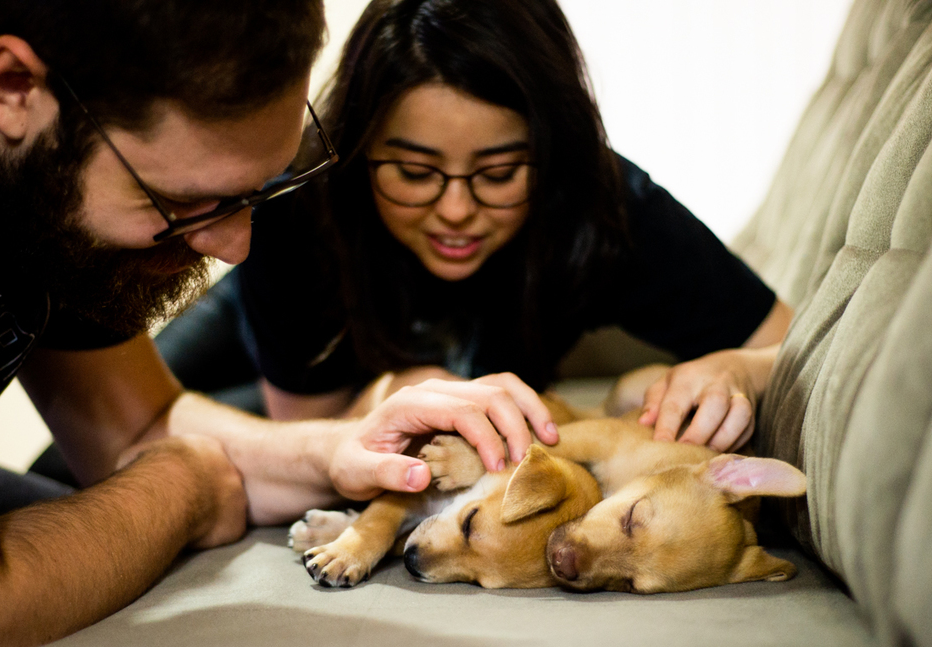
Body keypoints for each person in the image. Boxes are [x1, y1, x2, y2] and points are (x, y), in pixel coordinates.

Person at [0, 0, 558, 647]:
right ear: (16, 85)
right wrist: (183, 488)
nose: (235, 247)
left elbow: (133, 423)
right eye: (183, 201)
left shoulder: (52, 163)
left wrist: (341, 446)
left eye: (256, 191)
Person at [157, 0, 793, 454]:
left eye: (499, 173)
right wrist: (393, 392)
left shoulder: (602, 204)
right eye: (413, 171)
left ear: (552, 151)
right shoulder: (296, 208)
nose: (457, 210)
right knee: (103, 461)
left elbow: (788, 340)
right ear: (358, 148)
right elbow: (306, 432)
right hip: (263, 368)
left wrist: (738, 369)